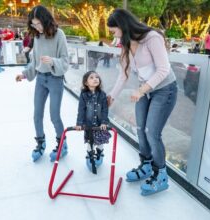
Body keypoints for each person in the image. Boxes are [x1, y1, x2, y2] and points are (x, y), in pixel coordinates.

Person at [106, 9, 177, 196]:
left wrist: (141, 90)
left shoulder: (152, 38)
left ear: (122, 26)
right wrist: (111, 97)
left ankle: (161, 174)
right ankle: (146, 166)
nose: (113, 35)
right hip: (145, 91)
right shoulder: (126, 44)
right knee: (140, 129)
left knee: (152, 133)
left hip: (164, 89)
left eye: (113, 31)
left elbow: (163, 70)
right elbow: (124, 74)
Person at [15, 5, 69, 162]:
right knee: (37, 115)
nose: (36, 27)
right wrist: (24, 74)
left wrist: (53, 61)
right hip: (40, 79)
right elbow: (34, 61)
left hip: (55, 80)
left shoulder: (59, 35)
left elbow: (65, 62)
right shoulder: (37, 37)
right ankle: (40, 143)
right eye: (33, 24)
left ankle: (62, 144)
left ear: (46, 21)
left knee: (54, 115)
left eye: (38, 24)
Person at [75, 71, 111, 173]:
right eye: (91, 77)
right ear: (86, 83)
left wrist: (104, 122)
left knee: (100, 142)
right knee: (90, 142)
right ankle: (90, 155)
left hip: (100, 125)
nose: (95, 79)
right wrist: (79, 123)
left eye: (97, 77)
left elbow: (105, 109)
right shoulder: (83, 95)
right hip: (89, 125)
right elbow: (81, 110)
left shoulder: (102, 94)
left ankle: (99, 154)